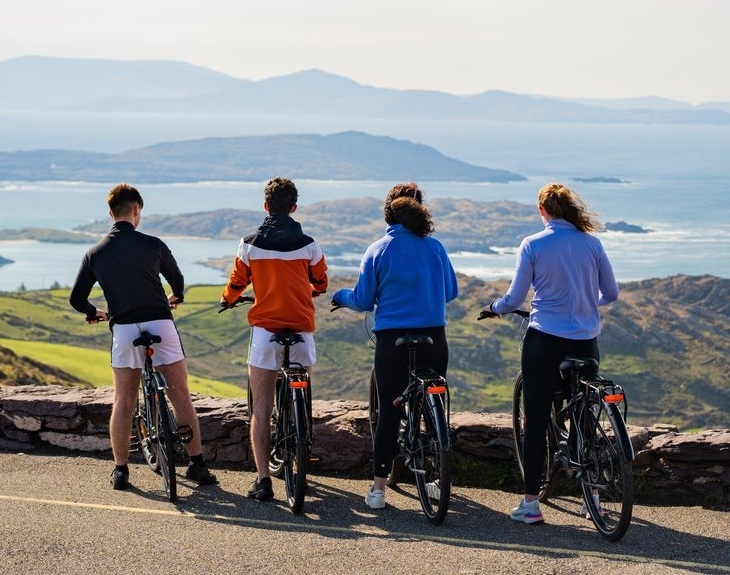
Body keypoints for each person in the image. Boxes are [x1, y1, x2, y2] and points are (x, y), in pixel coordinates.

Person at [482, 182, 619, 524]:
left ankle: (530, 504)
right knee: (586, 414)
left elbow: (515, 299)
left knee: (536, 417)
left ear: (542, 211)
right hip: (586, 340)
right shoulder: (592, 243)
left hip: (546, 338)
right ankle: (593, 499)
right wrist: (587, 303)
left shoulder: (533, 244)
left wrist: (495, 308)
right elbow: (611, 293)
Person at [69, 182, 216, 491]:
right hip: (161, 323)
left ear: (110, 213)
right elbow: (177, 280)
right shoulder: (153, 244)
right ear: (136, 210)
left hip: (123, 329)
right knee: (179, 393)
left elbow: (76, 298)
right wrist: (176, 295)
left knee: (123, 400)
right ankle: (197, 465)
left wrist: (93, 313)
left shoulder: (95, 252)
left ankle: (121, 471)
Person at [331, 182, 459, 510]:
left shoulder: (378, 249)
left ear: (388, 216)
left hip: (392, 339)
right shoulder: (435, 247)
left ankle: (377, 490)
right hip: (434, 336)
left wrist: (340, 296)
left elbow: (361, 300)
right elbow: (451, 292)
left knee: (389, 410)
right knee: (436, 405)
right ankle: (437, 477)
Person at [222, 176, 329, 502]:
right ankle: (300, 470)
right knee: (304, 402)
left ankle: (263, 480)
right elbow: (321, 282)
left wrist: (227, 299)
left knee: (262, 409)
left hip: (266, 332)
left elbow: (237, 282)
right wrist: (311, 290)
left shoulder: (250, 243)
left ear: (266, 206)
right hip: (300, 330)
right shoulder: (309, 244)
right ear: (294, 207)